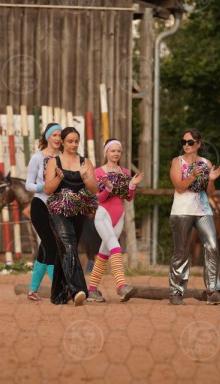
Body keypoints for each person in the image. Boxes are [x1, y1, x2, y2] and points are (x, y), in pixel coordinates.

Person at [169, 128, 220, 305]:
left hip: (203, 211)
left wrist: (211, 179)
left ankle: (213, 292)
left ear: (198, 144)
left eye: (190, 142)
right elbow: (179, 187)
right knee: (181, 251)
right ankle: (176, 293)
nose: (186, 145)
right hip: (182, 211)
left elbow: (210, 192)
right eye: (183, 142)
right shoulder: (177, 162)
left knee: (212, 245)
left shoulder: (206, 162)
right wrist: (191, 176)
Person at [44, 127, 99, 306]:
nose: (73, 144)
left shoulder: (85, 162)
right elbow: (47, 189)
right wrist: (58, 178)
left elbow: (94, 189)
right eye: (70, 141)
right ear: (62, 142)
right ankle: (78, 290)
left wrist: (85, 177)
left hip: (79, 209)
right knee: (68, 245)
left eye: (76, 141)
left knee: (65, 250)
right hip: (58, 209)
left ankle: (58, 295)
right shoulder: (54, 162)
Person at [87, 138, 144, 302]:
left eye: (118, 151)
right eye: (113, 150)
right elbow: (98, 199)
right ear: (106, 152)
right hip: (103, 215)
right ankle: (121, 286)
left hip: (119, 216)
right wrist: (108, 188)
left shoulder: (125, 172)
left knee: (104, 253)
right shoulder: (98, 172)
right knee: (115, 247)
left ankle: (92, 290)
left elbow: (129, 198)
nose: (116, 153)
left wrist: (132, 185)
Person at [25, 123, 62, 301]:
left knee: (44, 248)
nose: (58, 138)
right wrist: (44, 187)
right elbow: (28, 184)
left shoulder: (64, 157)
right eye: (54, 135)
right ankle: (59, 289)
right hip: (40, 205)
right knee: (51, 245)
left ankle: (32, 291)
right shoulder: (37, 157)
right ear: (47, 137)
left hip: (58, 207)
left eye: (60, 135)